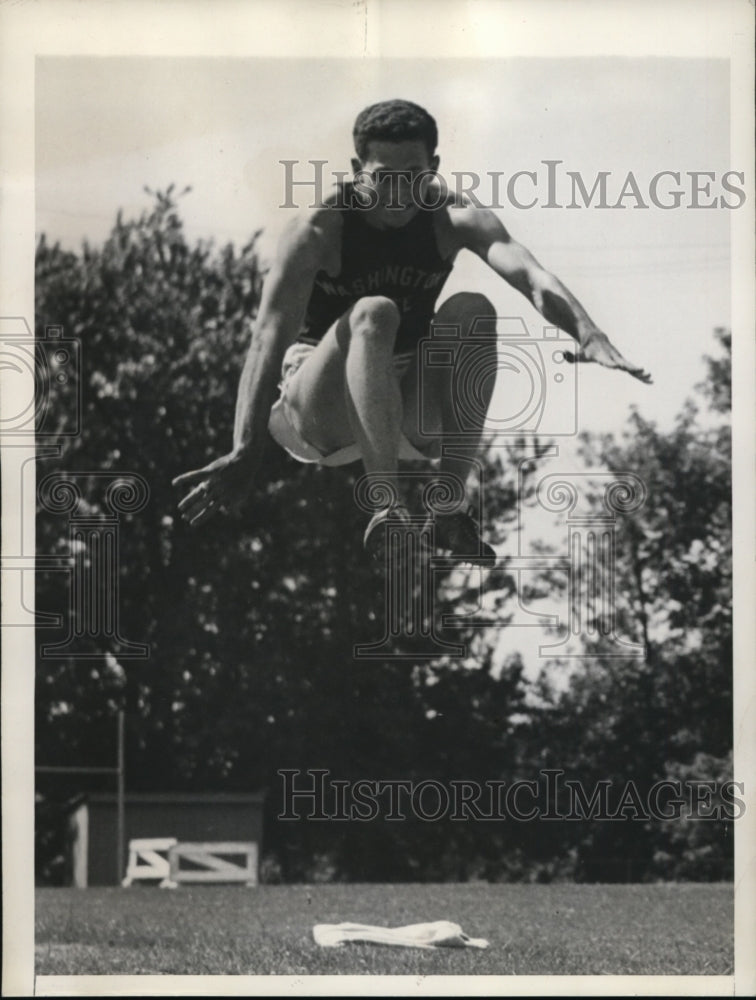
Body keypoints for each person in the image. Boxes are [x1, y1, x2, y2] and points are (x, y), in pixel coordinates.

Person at [173, 99, 651, 564]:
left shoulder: (453, 218)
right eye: (384, 179)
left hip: (401, 403)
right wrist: (245, 449)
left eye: (414, 178)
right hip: (321, 409)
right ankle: (387, 505)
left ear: (434, 167)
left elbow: (533, 278)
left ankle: (449, 506)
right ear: (358, 168)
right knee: (375, 312)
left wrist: (589, 335)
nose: (399, 194)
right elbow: (266, 339)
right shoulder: (320, 228)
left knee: (473, 309)